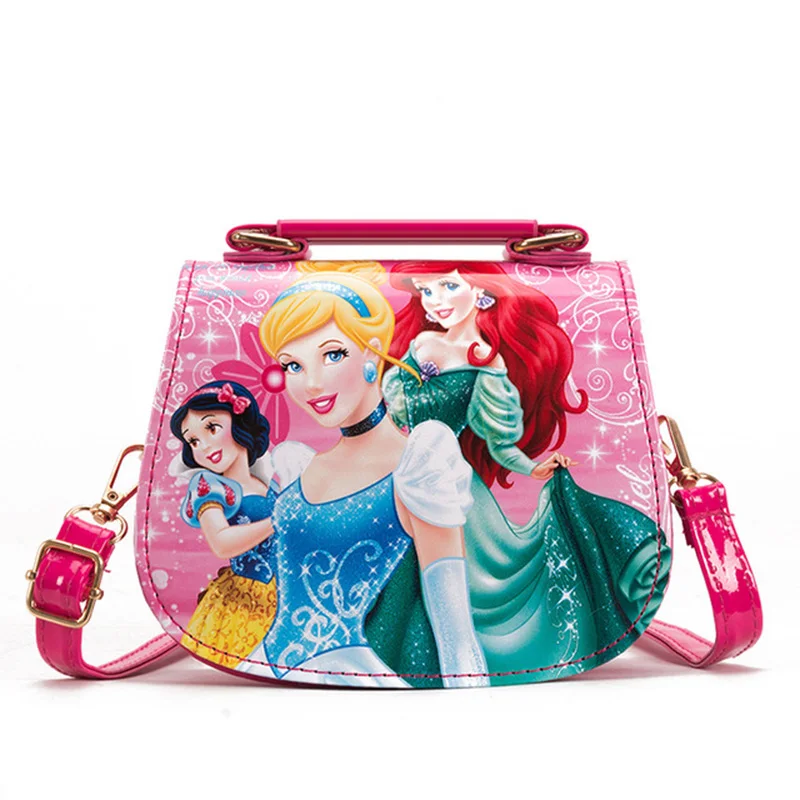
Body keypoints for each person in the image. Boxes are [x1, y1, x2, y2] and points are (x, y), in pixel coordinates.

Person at [382, 261, 671, 683]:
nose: (434, 301)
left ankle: (454, 662)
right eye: (426, 290)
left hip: (444, 482)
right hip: (388, 469)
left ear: (482, 292)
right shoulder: (422, 343)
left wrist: (535, 468)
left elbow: (499, 443)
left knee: (448, 586)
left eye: (447, 286)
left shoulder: (488, 366)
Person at [238, 262, 488, 688]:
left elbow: (456, 635)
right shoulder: (299, 465)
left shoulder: (418, 468)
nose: (311, 384)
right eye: (293, 365)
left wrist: (475, 706)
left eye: (333, 355)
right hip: (259, 671)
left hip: (349, 675)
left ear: (372, 352)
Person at [169, 380, 311, 669]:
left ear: (240, 423)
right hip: (244, 600)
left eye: (211, 428)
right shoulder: (208, 486)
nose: (204, 446)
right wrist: (277, 520)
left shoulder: (266, 483)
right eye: (193, 441)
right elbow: (222, 543)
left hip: (285, 597)